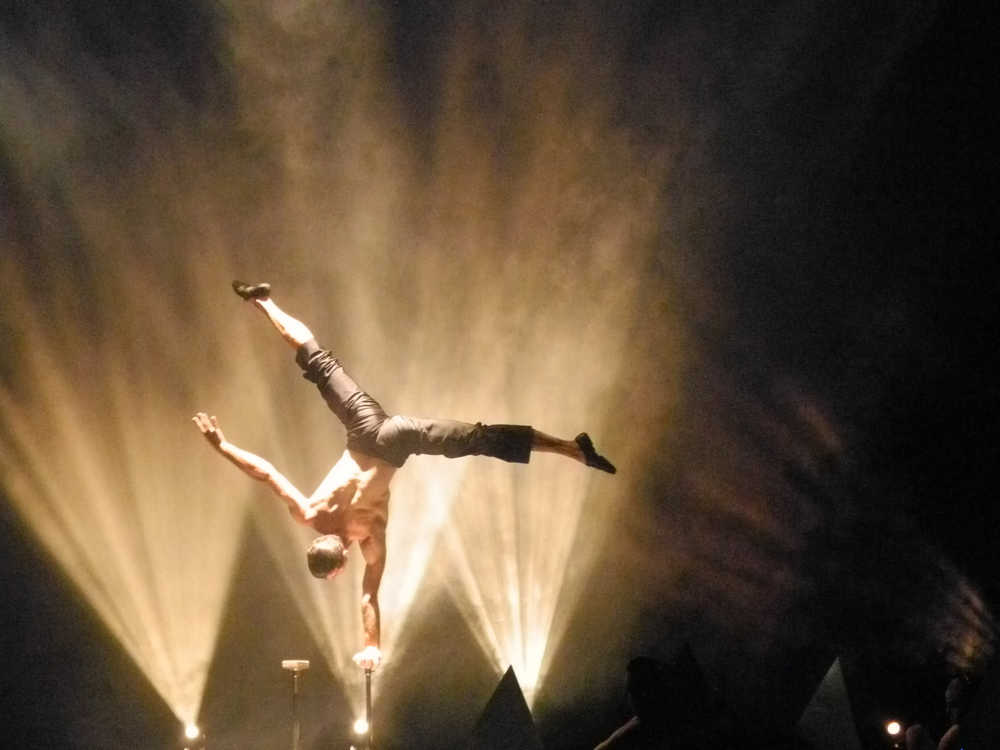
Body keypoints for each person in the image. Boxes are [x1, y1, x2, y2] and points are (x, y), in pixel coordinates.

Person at [193, 281, 616, 671]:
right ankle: (263, 301)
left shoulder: (370, 537)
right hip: (369, 430)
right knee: (319, 363)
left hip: (393, 443)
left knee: (478, 438)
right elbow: (266, 473)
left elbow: (367, 596)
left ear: (340, 566)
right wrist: (222, 445)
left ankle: (571, 450)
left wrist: (371, 645)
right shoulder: (309, 514)